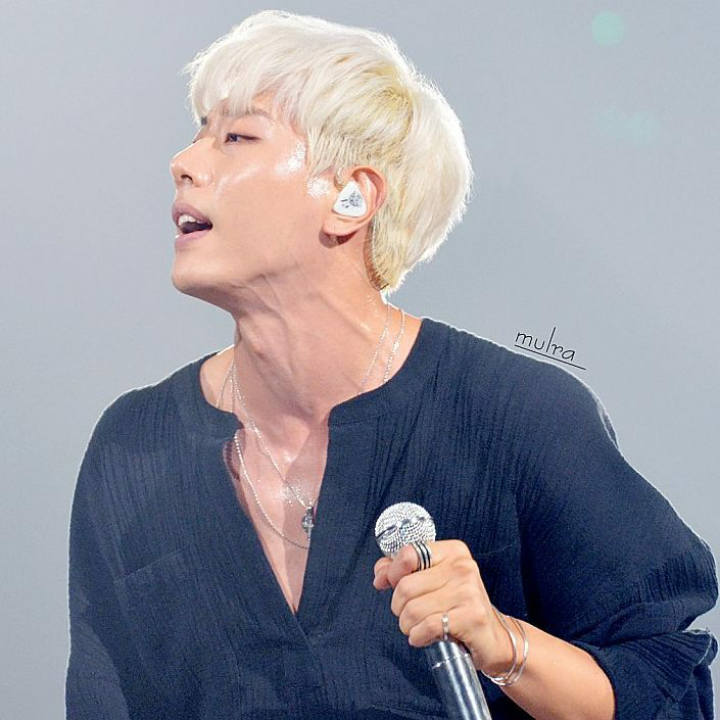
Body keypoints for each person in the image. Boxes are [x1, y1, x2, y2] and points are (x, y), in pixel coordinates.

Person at [65, 9, 718, 720]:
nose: (184, 161)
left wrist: (502, 643)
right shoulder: (134, 447)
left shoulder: (519, 417)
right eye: (198, 131)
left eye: (237, 136)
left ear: (352, 198)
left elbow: (666, 689)